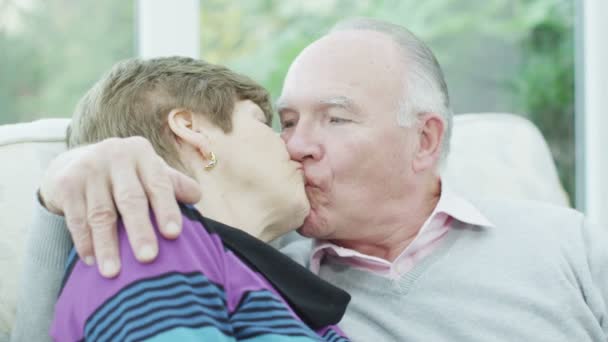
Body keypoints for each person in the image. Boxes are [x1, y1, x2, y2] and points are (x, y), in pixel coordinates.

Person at [12, 17, 608, 342]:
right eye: (284, 122)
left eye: (336, 118)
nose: (296, 146)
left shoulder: (568, 242)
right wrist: (59, 191)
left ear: (424, 140)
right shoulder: (270, 265)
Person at [44, 56, 350, 341]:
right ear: (190, 130)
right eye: (263, 123)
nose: (292, 146)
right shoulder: (150, 232)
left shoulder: (280, 295)